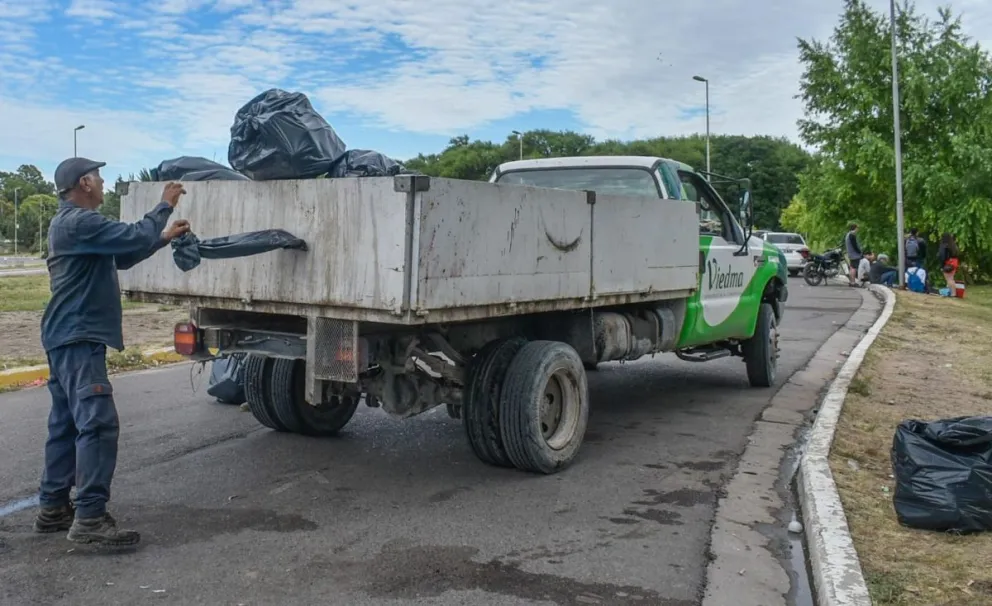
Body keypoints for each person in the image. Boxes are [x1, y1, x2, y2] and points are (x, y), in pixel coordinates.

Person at [33, 157, 190, 546]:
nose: (103, 184)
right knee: (98, 424)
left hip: (66, 335)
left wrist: (163, 237)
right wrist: (164, 204)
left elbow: (122, 255)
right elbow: (132, 236)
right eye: (99, 178)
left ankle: (53, 507)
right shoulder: (79, 222)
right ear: (84, 182)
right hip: (78, 336)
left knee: (66, 425)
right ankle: (89, 519)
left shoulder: (71, 225)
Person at [937, 232, 960, 297]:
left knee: (949, 279)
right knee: (951, 278)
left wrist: (942, 266)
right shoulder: (953, 245)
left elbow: (942, 256)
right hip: (954, 262)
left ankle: (953, 293)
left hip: (948, 263)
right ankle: (951, 292)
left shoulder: (944, 245)